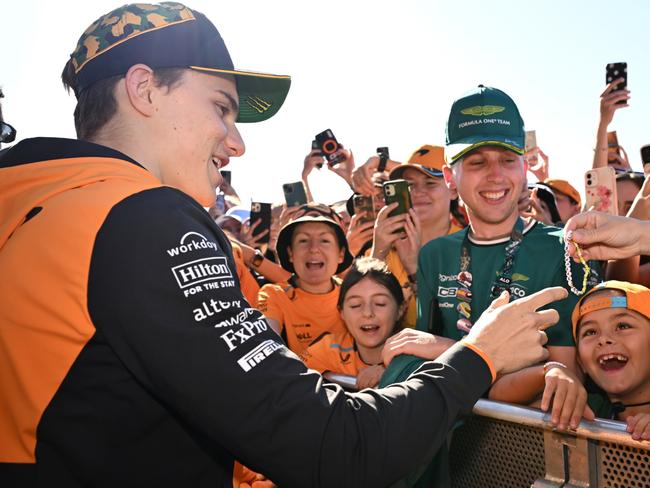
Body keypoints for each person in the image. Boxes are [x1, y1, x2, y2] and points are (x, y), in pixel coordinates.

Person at [0, 3, 570, 486]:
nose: (238, 142)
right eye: (221, 107)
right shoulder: (142, 218)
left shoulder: (33, 200)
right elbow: (339, 446)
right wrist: (478, 355)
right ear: (145, 90)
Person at [401, 85, 598, 426]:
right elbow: (422, 364)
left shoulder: (565, 248)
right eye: (477, 162)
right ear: (450, 177)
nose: (495, 174)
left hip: (527, 442)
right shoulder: (434, 254)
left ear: (524, 168)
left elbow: (565, 378)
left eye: (507, 160)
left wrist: (447, 348)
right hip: (450, 439)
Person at [370, 145, 463, 328]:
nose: (418, 192)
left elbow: (455, 325)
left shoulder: (470, 246)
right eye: (410, 185)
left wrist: (415, 268)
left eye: (430, 183)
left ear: (453, 190)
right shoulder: (384, 245)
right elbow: (361, 317)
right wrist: (378, 253)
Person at [257, 203, 353, 355]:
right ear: (290, 253)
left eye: (324, 240)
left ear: (340, 254)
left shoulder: (353, 294)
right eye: (303, 240)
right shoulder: (274, 295)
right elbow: (269, 344)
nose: (314, 248)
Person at [301, 257, 406, 389]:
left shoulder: (415, 351)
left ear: (400, 309)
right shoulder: (329, 349)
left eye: (380, 303)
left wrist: (392, 372)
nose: (367, 313)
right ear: (342, 313)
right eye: (355, 305)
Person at [570, 281, 650, 440]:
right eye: (590, 332)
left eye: (622, 326)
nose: (604, 339)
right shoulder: (587, 410)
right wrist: (552, 370)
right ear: (580, 361)